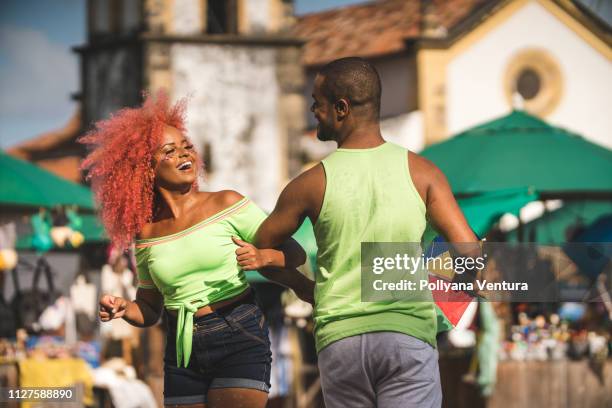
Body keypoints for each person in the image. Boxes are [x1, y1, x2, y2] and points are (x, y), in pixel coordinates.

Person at [252, 57, 479, 408]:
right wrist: (442, 309)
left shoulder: (310, 184)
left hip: (340, 340)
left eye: (317, 103)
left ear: (341, 108)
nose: (313, 111)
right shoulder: (423, 173)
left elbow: (261, 248)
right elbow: (469, 252)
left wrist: (304, 287)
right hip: (406, 335)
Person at [80, 93, 313, 408]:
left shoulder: (227, 203)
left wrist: (263, 258)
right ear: (146, 169)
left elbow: (295, 253)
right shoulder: (146, 235)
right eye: (169, 151)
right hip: (181, 345)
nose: (183, 154)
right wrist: (125, 308)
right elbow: (149, 308)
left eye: (186, 146)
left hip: (238, 330)